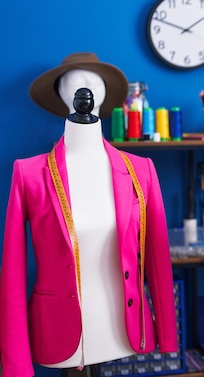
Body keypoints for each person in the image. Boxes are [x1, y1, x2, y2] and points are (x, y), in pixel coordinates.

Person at [0, 53, 179, 377]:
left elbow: (158, 260)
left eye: (93, 84)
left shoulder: (141, 171)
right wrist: (15, 362)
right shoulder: (28, 173)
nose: (85, 91)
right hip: (57, 330)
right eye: (75, 84)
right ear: (62, 96)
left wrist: (167, 335)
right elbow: (12, 273)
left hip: (122, 327)